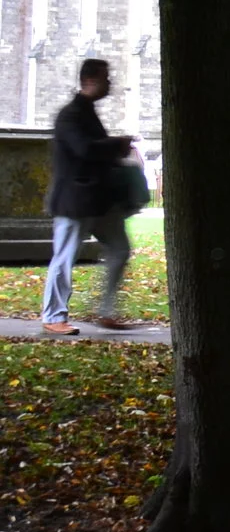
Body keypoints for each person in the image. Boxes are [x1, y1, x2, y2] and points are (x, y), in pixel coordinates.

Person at [44, 58, 136, 336]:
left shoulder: (86, 112)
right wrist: (117, 144)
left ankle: (105, 312)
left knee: (119, 249)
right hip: (75, 201)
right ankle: (53, 316)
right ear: (90, 80)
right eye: (105, 78)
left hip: (98, 201)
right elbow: (84, 149)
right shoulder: (70, 115)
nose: (110, 83)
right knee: (64, 258)